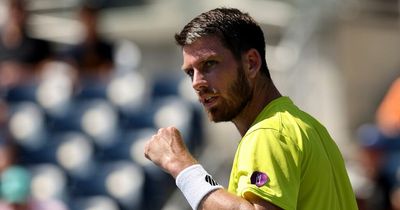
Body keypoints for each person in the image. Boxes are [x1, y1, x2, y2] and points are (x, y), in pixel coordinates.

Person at [144, 7, 358, 210]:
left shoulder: (267, 134)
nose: (196, 83)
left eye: (209, 64)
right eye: (191, 73)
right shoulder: (309, 127)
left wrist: (181, 166)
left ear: (251, 63)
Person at [0, 0, 52, 89]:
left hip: (29, 89)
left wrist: (23, 72)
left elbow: (47, 68)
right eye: (13, 11)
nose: (16, 15)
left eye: (19, 11)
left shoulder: (38, 44)